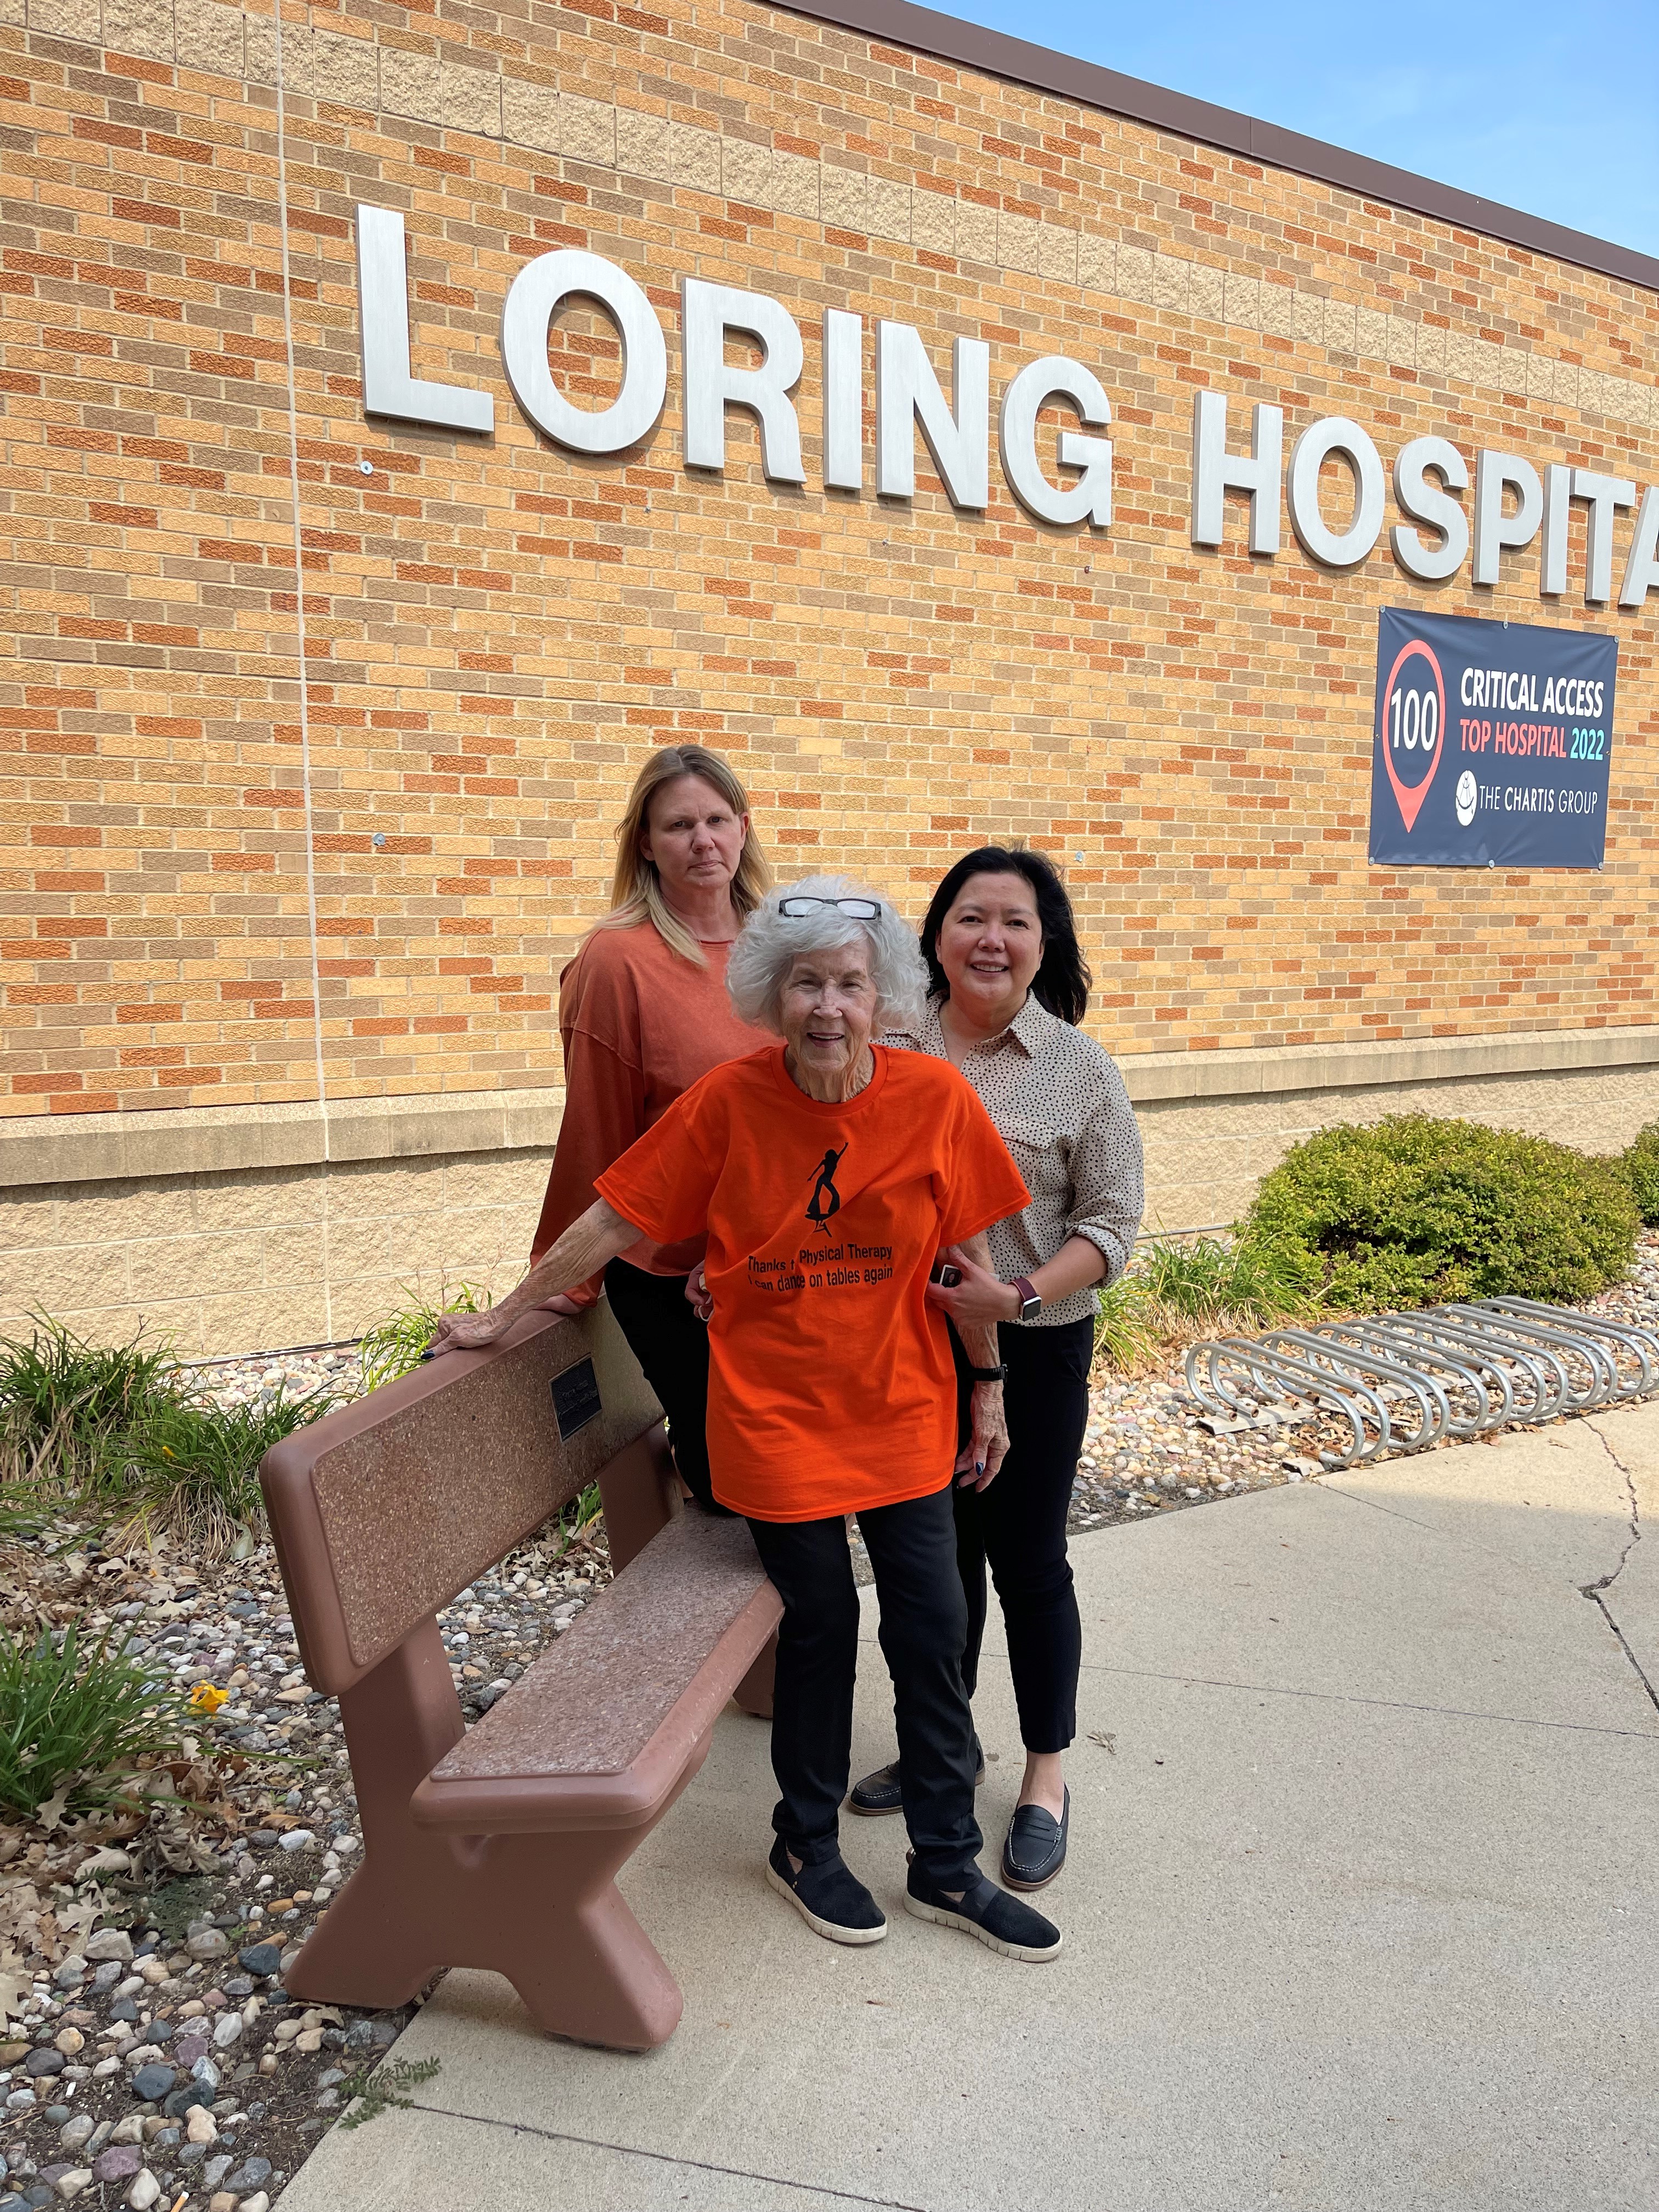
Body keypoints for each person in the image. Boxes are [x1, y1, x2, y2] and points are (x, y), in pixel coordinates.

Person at [430, 877, 1065, 1963]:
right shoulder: (729, 1100)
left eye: (850, 986)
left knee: (931, 1632)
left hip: (905, 1417)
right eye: (807, 985)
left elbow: (965, 1266)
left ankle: (946, 1863)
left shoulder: (934, 1101)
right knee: (819, 1631)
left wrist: (990, 1386)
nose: (828, 1007)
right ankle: (805, 1845)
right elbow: (616, 1214)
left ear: (885, 999)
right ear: (774, 998)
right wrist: (509, 1311)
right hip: (776, 1423)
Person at [849, 847, 1143, 1893]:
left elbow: (1112, 1228)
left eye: (1015, 922)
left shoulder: (1078, 1069)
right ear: (934, 935)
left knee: (1025, 1561)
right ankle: (947, 1748)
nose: (992, 939)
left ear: (1043, 944)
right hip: (905, 1349)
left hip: (1035, 1342)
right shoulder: (886, 1042)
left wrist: (1010, 1298)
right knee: (932, 1567)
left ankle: (1045, 1777)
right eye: (972, 917)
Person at [527, 745, 772, 1510]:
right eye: (677, 826)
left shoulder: (787, 944)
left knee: (805, 1492)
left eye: (716, 820)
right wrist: (561, 1278)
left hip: (785, 1265)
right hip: (674, 1280)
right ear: (644, 843)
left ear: (743, 828)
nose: (702, 841)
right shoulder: (616, 963)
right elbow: (595, 1135)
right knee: (740, 1493)